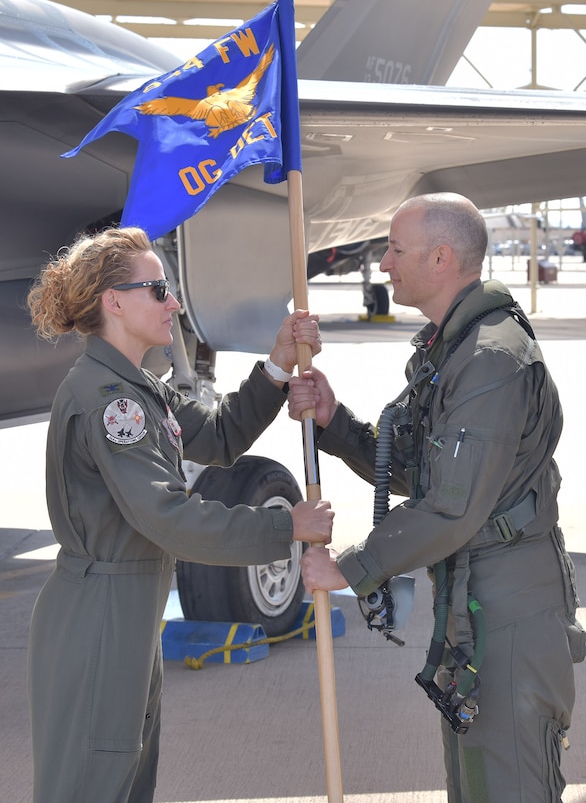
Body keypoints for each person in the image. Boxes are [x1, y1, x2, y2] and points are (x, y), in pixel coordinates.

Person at [289, 192, 585, 802]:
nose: (386, 264)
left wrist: (348, 568)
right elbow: (429, 474)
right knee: (477, 786)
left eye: (396, 250)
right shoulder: (451, 348)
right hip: (476, 605)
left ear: (441, 258)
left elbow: (453, 507)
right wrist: (334, 421)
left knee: (508, 788)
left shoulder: (489, 358)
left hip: (509, 612)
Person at [26, 225, 333, 803]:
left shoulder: (138, 387)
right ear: (113, 302)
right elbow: (168, 517)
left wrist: (276, 363)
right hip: (101, 615)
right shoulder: (109, 400)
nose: (173, 302)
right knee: (91, 785)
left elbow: (217, 437)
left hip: (127, 612)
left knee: (125, 780)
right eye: (157, 289)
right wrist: (284, 527)